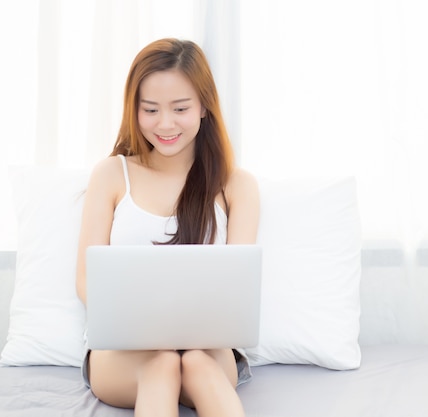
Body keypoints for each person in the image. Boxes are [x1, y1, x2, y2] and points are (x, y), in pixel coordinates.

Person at [75, 38, 259, 417]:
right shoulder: (111, 175)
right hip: (123, 351)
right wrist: (139, 324)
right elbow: (85, 280)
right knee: (160, 363)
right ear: (134, 110)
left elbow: (238, 288)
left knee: (195, 361)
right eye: (150, 109)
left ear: (205, 106)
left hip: (208, 349)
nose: (165, 124)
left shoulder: (236, 185)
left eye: (180, 108)